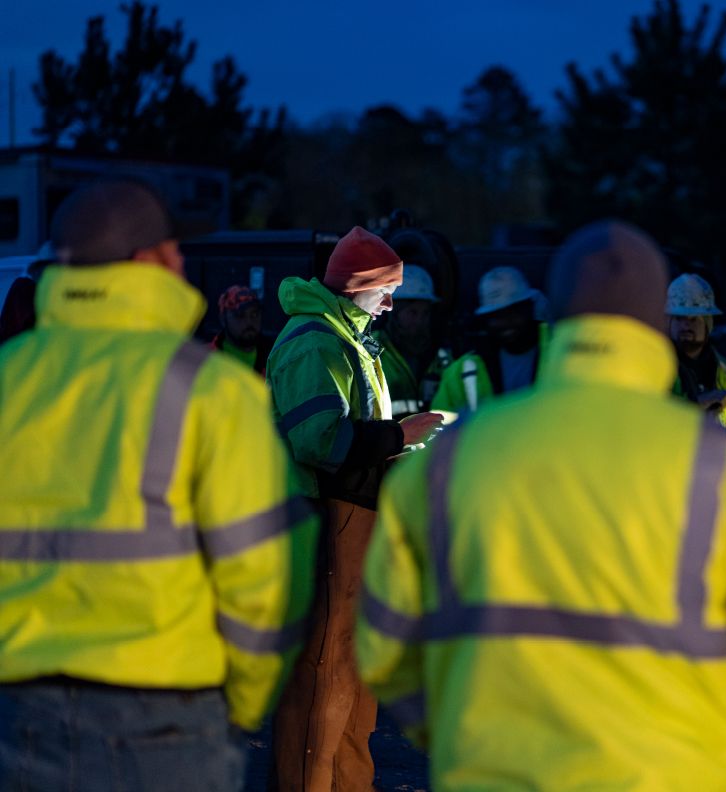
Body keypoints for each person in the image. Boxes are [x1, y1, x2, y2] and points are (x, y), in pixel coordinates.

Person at [357, 220, 726, 792]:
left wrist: (464, 734)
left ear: (557, 318)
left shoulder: (449, 463)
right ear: (654, 321)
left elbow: (387, 641)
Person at [0, 181, 318, 792]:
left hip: (17, 715)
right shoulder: (212, 391)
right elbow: (268, 575)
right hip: (165, 723)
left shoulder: (10, 377)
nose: (181, 263)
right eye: (172, 249)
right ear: (147, 263)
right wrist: (243, 703)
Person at [266, 226, 443, 791]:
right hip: (324, 528)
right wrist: (399, 436)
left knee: (348, 680)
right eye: (385, 289)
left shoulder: (346, 339)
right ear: (357, 286)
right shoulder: (318, 342)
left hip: (351, 525)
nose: (391, 302)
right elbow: (318, 441)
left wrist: (400, 443)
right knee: (321, 680)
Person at [431, 266, 548, 413]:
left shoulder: (564, 355)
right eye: (496, 316)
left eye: (513, 312)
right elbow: (437, 427)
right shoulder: (462, 372)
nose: (505, 322)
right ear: (485, 321)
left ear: (529, 309)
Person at [375, 264, 452, 419]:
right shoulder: (372, 350)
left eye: (425, 313)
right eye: (412, 312)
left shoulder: (442, 356)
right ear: (393, 313)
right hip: (389, 441)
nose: (420, 320)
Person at [667, 273, 726, 427]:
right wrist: (700, 402)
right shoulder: (655, 363)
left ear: (708, 323)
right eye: (679, 318)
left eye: (694, 318)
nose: (686, 325)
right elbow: (651, 414)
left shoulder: (724, 370)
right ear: (669, 322)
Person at [209, 284, 274, 375]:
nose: (249, 321)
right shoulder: (204, 359)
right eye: (240, 315)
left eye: (254, 314)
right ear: (223, 319)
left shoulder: (276, 358)